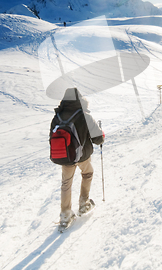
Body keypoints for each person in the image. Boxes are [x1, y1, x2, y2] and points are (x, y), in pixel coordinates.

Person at [50, 87, 104, 225]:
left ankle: (65, 215)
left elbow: (51, 137)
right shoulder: (84, 115)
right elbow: (98, 139)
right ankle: (83, 203)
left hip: (65, 157)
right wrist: (101, 135)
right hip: (82, 156)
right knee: (88, 173)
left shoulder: (58, 116)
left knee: (66, 183)